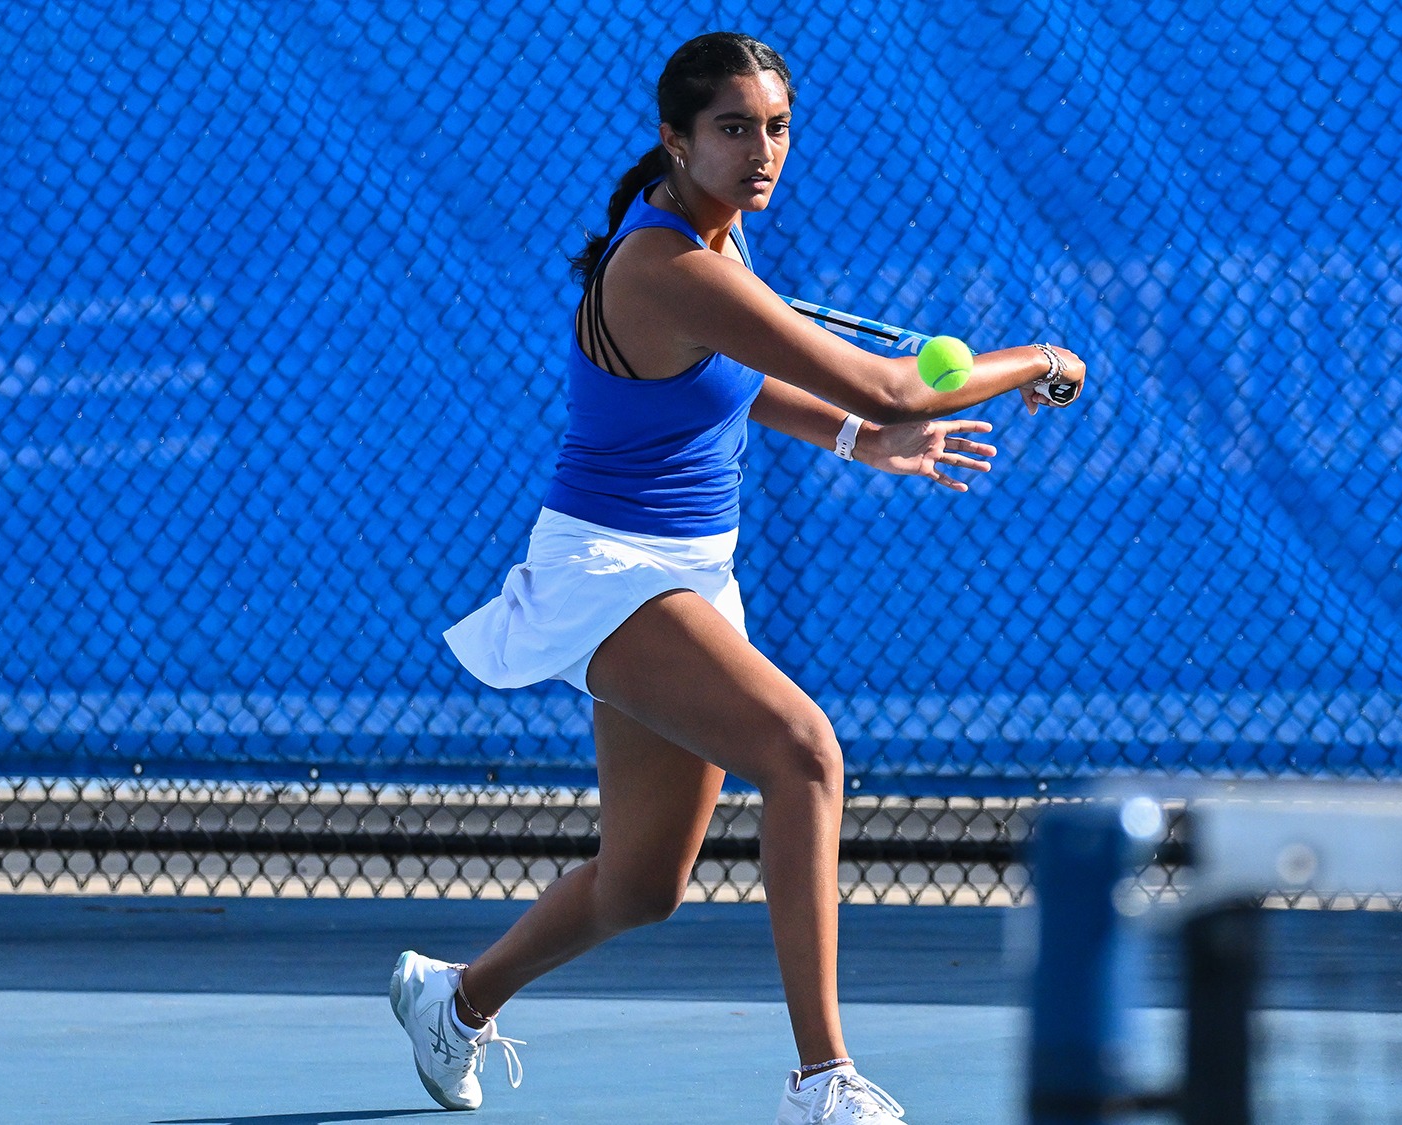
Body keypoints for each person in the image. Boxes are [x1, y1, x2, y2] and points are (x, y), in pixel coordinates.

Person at [390, 30, 1086, 1124]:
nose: (760, 151)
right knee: (803, 752)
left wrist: (857, 442)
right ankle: (822, 1082)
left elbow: (732, 381)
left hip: (689, 574)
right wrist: (1036, 361)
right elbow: (895, 384)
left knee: (641, 885)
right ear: (674, 139)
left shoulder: (714, 243)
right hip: (607, 572)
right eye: (731, 130)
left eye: (775, 128)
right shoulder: (663, 263)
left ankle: (453, 1001)